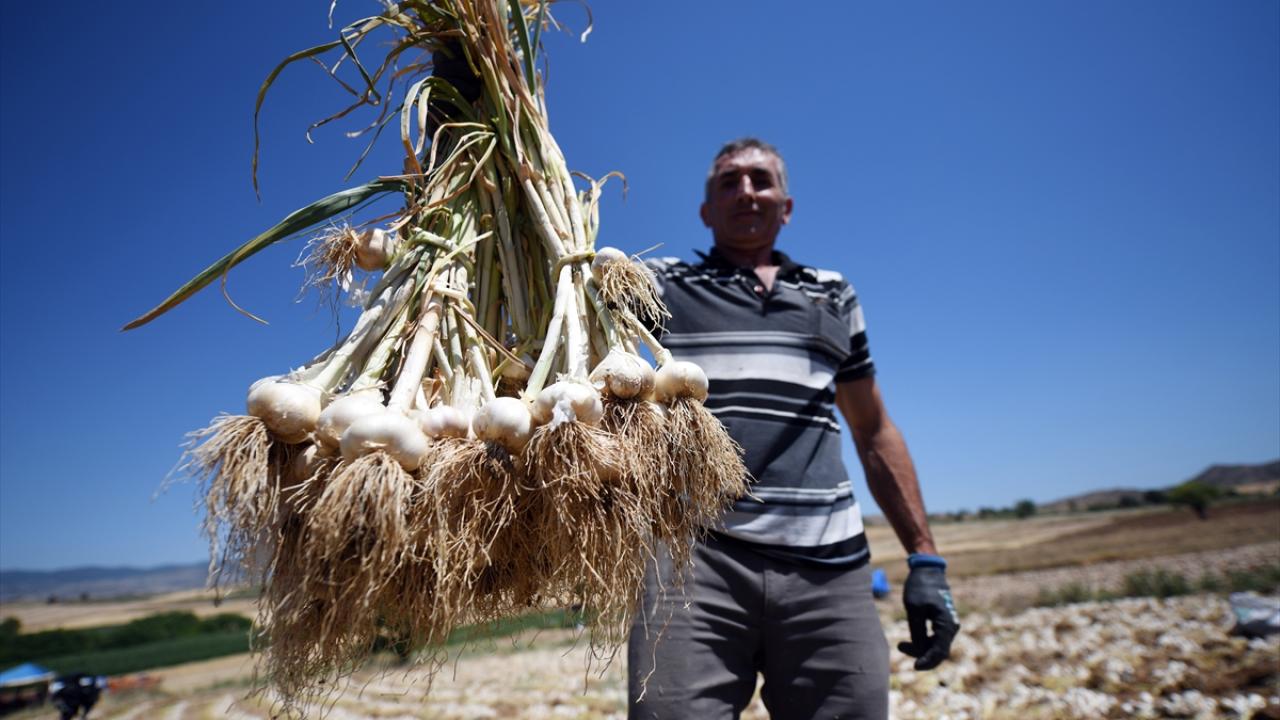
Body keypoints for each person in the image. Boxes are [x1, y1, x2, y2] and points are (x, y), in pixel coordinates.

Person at [627, 138, 959, 720]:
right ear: (705, 211)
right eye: (728, 183)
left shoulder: (832, 292)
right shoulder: (658, 285)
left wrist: (925, 561)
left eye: (761, 180)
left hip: (828, 567)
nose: (746, 191)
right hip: (692, 563)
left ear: (787, 205)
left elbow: (874, 430)